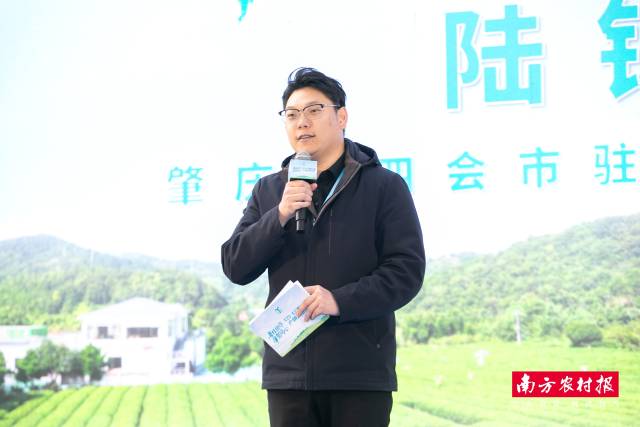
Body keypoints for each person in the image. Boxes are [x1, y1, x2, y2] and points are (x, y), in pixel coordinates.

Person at [221, 67, 425, 427]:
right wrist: (280, 214)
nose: (302, 122)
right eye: (292, 115)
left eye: (314, 110)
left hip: (358, 375)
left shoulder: (384, 186)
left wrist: (339, 301)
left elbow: (405, 272)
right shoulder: (270, 190)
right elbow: (236, 265)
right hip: (288, 378)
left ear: (341, 117)